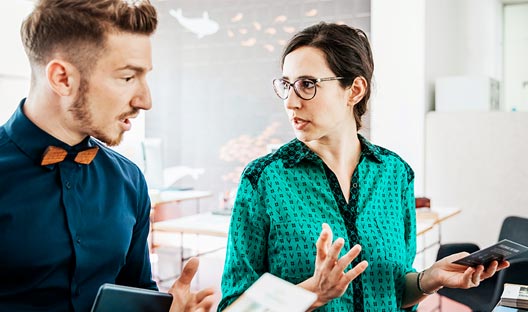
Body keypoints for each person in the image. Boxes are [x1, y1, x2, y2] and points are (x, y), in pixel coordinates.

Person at [218, 22, 509, 311]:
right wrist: (312, 293)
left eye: (307, 84)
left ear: (354, 90)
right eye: (286, 85)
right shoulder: (263, 179)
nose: (290, 102)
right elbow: (234, 307)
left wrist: (426, 280)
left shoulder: (395, 174)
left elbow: (392, 290)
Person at [0, 1, 214, 311]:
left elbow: (136, 293)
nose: (145, 100)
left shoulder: (129, 180)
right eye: (128, 77)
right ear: (62, 78)